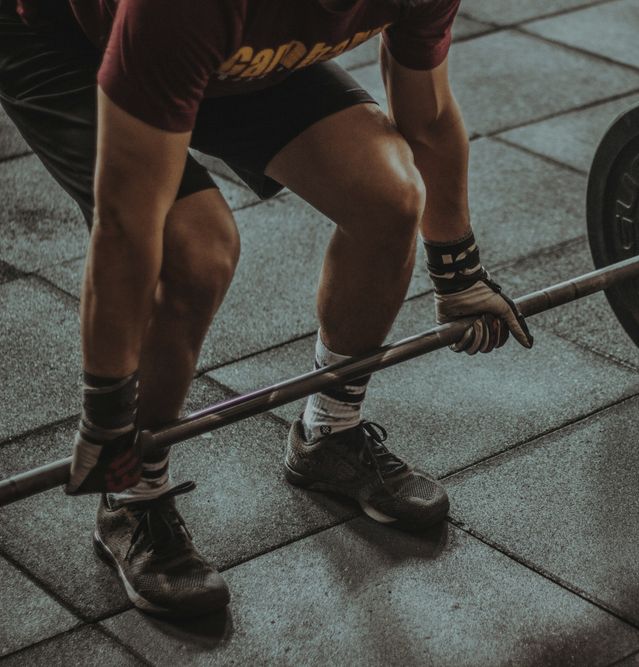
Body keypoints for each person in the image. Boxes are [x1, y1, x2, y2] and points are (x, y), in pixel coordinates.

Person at [0, 0, 532, 617]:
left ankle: (328, 435)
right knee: (193, 250)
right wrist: (108, 414)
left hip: (229, 46)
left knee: (389, 195)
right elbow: (126, 226)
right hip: (65, 40)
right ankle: (132, 497)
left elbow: (429, 118)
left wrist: (458, 272)